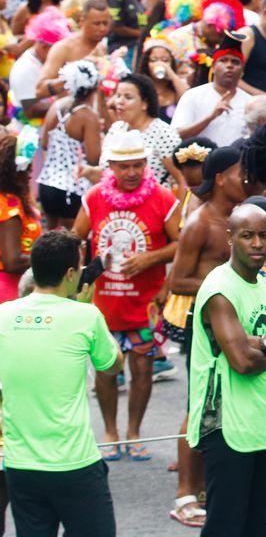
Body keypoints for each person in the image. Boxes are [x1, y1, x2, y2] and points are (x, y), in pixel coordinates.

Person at [186, 203, 266, 537]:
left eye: (264, 236)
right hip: (225, 425)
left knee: (256, 525)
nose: (257, 244)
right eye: (247, 236)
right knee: (226, 526)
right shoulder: (219, 289)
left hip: (265, 423)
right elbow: (242, 362)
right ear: (230, 238)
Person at [0, 230, 123, 537]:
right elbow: (113, 365)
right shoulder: (85, 315)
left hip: (20, 464)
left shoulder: (3, 315)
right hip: (74, 464)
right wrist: (89, 309)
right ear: (71, 274)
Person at [73, 128, 180, 461]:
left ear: (146, 164)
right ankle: (110, 431)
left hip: (145, 304)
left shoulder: (164, 199)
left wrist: (150, 258)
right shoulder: (93, 198)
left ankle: (134, 431)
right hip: (104, 305)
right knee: (106, 370)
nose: (131, 173)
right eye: (124, 167)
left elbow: (181, 245)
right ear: (111, 168)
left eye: (137, 165)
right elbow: (76, 238)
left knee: (144, 369)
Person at [165, 145, 247, 528]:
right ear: (219, 178)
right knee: (198, 404)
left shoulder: (237, 216)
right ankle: (185, 493)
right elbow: (176, 281)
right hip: (199, 324)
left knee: (219, 403)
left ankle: (204, 488)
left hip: (228, 323)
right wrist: (224, 284)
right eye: (238, 172)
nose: (244, 177)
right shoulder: (200, 222)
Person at [37, 60, 102, 230]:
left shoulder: (56, 106)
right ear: (95, 87)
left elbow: (44, 143)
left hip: (46, 183)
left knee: (50, 236)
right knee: (73, 242)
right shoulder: (88, 116)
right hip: (71, 188)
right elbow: (95, 158)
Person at [99, 74, 182, 190]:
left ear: (145, 103)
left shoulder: (163, 133)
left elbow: (182, 179)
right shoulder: (116, 128)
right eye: (118, 96)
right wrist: (88, 171)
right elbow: (106, 172)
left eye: (128, 97)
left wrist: (179, 208)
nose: (119, 102)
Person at [171, 45, 252, 146]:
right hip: (201, 160)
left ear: (242, 71)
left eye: (235, 62)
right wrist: (210, 117)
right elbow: (175, 135)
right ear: (213, 67)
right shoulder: (192, 96)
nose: (229, 65)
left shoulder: (250, 102)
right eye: (223, 60)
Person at [35, 0, 113, 97]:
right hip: (69, 109)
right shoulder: (63, 48)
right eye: (96, 24)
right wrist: (76, 73)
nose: (102, 28)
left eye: (105, 23)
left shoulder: (102, 48)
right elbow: (39, 90)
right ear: (82, 21)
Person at [8, 8, 70, 124]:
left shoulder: (47, 61)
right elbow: (31, 110)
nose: (63, 53)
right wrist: (71, 102)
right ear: (43, 46)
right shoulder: (25, 68)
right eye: (59, 48)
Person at [0, 133, 41, 302]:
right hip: (9, 291)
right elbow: (12, 261)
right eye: (27, 168)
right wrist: (48, 258)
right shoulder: (10, 206)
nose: (30, 172)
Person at [137, 43, 189, 123]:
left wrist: (171, 74)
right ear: (146, 64)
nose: (160, 63)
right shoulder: (139, 87)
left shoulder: (177, 86)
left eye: (165, 60)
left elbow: (188, 100)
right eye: (153, 60)